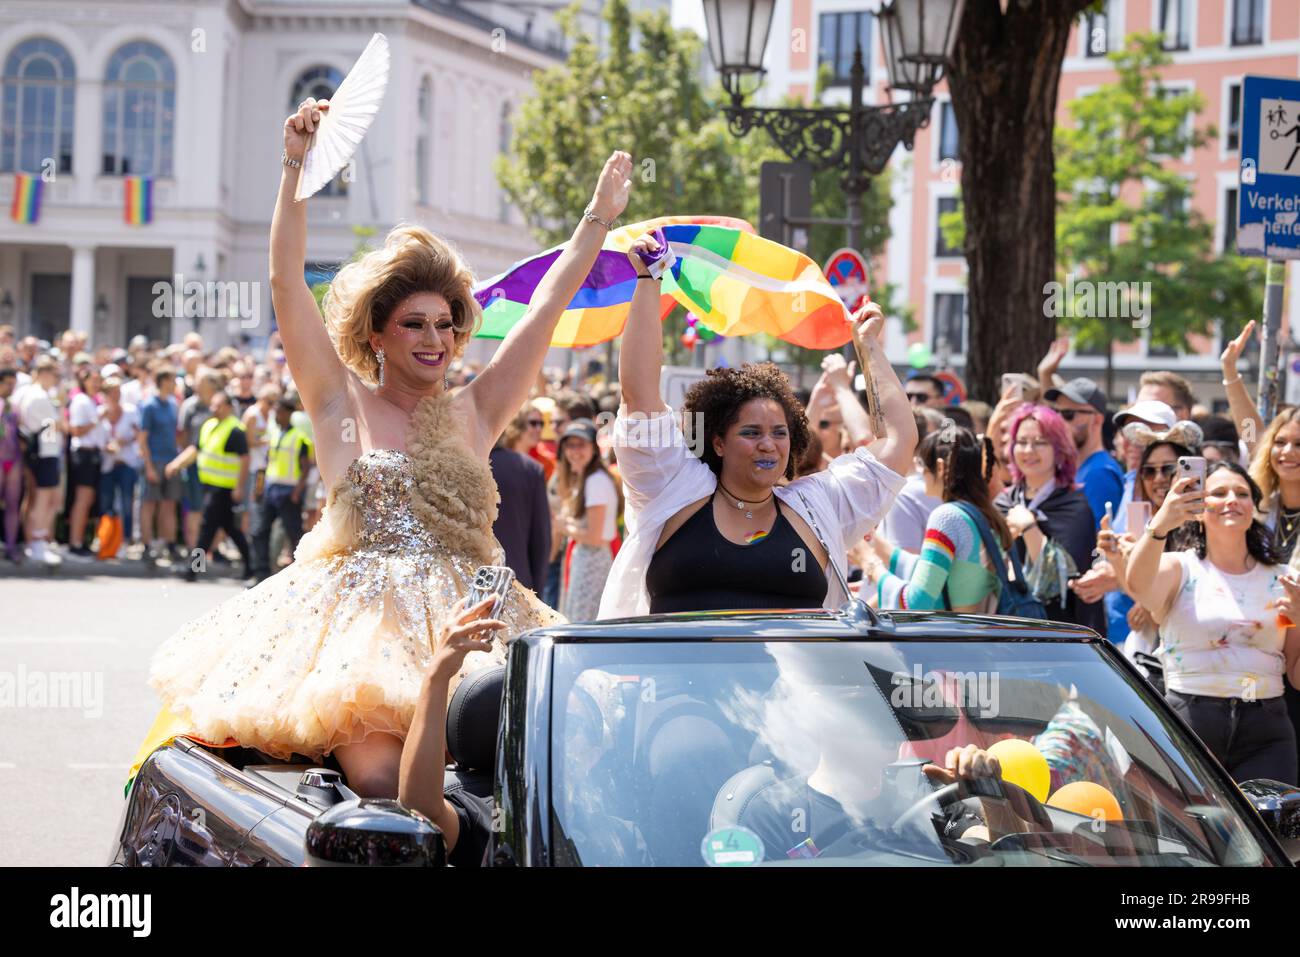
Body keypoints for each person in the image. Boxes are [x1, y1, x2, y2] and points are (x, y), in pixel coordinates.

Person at [148, 95, 634, 799]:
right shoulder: (339, 403)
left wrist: (597, 220)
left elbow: (546, 308)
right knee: (381, 784)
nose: (435, 339)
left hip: (477, 629)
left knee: (516, 784)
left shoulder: (477, 409)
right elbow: (287, 282)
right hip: (358, 636)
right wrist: (294, 168)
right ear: (377, 334)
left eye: (445, 323)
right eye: (415, 324)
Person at [603, 230, 915, 618]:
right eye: (751, 433)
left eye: (779, 432)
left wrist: (867, 346)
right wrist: (648, 281)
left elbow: (899, 442)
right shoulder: (674, 488)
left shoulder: (817, 507)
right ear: (718, 442)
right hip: (676, 679)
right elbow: (639, 396)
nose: (768, 444)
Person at [1122, 461, 1300, 785]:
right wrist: (1161, 521)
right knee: (1191, 835)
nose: (1231, 499)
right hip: (1190, 723)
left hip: (1266, 732)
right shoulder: (1179, 568)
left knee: (1271, 836)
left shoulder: (1284, 579)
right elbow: (1136, 584)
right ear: (1200, 509)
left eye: (1242, 493)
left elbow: (1296, 674)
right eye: (1218, 493)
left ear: (1253, 508)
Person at [869, 428, 1011, 613]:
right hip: (978, 635)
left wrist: (871, 567)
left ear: (941, 467)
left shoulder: (946, 517)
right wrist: (878, 546)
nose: (920, 473)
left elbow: (916, 602)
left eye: (922, 464)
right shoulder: (987, 516)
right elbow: (936, 572)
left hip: (954, 637)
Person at [995, 404, 1103, 632]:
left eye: (1040, 442)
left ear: (1059, 449)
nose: (1028, 450)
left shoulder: (1074, 506)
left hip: (1060, 632)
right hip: (1008, 627)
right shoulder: (1003, 502)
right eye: (1021, 442)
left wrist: (1029, 527)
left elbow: (1058, 580)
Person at [167, 390, 252, 581]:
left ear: (229, 407)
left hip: (223, 489)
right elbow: (196, 449)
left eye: (218, 405)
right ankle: (251, 566)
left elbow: (245, 460)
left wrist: (239, 487)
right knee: (231, 529)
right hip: (209, 486)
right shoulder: (209, 425)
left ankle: (193, 570)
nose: (213, 409)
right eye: (212, 404)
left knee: (207, 529)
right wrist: (176, 464)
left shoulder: (235, 430)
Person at [556, 418, 621, 621]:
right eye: (570, 445)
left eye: (581, 444)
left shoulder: (596, 481)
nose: (575, 451)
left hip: (593, 562)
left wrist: (564, 526)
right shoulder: (587, 478)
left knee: (583, 624)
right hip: (586, 560)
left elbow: (595, 537)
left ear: (593, 448)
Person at [248, 396, 312, 584]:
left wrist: (297, 491)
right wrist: (259, 488)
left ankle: (301, 572)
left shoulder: (299, 438)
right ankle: (261, 572)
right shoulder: (274, 433)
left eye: (280, 412)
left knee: (294, 533)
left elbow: (305, 467)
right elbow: (267, 462)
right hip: (270, 488)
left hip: (288, 490)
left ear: (288, 414)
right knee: (260, 530)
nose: (276, 416)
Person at [1046, 377, 1123, 530]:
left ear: (1097, 420)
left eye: (1068, 414)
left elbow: (1098, 548)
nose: (1058, 421)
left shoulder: (1100, 474)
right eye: (1056, 413)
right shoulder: (1076, 468)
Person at [489, 406, 551, 593]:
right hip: (516, 581)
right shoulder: (529, 469)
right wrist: (537, 592)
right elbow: (541, 539)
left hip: (462, 583)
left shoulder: (531, 468)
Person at [17, 356, 64, 566]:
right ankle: (37, 543)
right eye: (55, 375)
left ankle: (33, 542)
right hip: (45, 452)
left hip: (41, 452)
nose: (57, 379)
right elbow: (57, 426)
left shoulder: (27, 393)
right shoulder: (39, 396)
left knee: (37, 498)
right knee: (44, 500)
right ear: (44, 373)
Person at [138, 367, 181, 562]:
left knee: (169, 505)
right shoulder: (149, 405)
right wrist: (148, 466)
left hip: (171, 460)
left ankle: (169, 544)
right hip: (154, 460)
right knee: (149, 505)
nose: (175, 384)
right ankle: (146, 545)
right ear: (163, 381)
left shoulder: (173, 404)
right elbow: (142, 438)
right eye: (172, 380)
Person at [97, 374, 142, 550]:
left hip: (127, 463)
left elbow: (138, 434)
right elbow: (96, 436)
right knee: (106, 503)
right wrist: (106, 446)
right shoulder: (99, 412)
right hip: (107, 464)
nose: (115, 396)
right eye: (111, 393)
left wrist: (124, 442)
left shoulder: (130, 411)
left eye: (118, 392)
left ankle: (125, 540)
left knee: (126, 503)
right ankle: (107, 540)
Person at [65, 366, 103, 557]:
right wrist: (97, 421)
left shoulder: (92, 401)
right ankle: (75, 543)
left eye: (99, 380)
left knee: (88, 501)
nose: (96, 384)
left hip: (93, 455)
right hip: (83, 454)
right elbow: (76, 430)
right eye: (92, 380)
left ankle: (81, 540)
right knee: (82, 500)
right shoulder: (80, 401)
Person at [0, 368, 21, 561]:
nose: (11, 387)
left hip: (13, 459)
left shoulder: (14, 406)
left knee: (13, 504)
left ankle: (11, 546)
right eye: (8, 383)